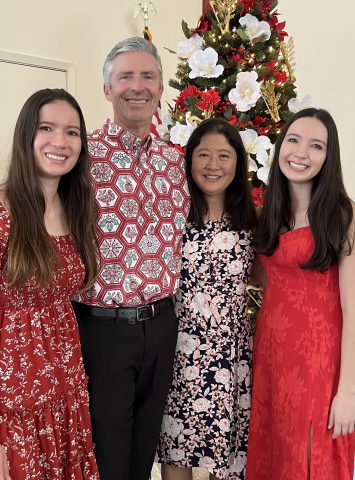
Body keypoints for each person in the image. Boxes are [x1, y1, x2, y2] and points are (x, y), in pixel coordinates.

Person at [71, 37, 190, 480]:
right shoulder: (80, 155)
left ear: (161, 88)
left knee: (144, 455)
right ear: (107, 89)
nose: (137, 86)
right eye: (125, 76)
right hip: (101, 330)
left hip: (162, 326)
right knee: (106, 456)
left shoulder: (176, 162)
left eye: (148, 76)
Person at [246, 108, 355, 479]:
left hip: (319, 364)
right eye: (293, 140)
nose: (301, 153)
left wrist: (348, 392)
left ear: (329, 156)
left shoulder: (342, 216)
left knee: (308, 464)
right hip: (271, 358)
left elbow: (353, 311)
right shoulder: (268, 214)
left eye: (316, 145)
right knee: (273, 458)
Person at [0, 88, 99, 479]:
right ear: (27, 136)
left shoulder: (76, 209)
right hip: (15, 401)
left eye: (72, 132)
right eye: (47, 128)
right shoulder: (3, 212)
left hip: (66, 389)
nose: (60, 142)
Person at [157, 118, 257, 480]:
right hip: (178, 352)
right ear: (190, 160)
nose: (213, 166)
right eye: (203, 154)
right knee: (177, 445)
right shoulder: (173, 215)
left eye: (223, 156)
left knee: (227, 456)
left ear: (237, 163)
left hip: (231, 357)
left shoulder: (251, 221)